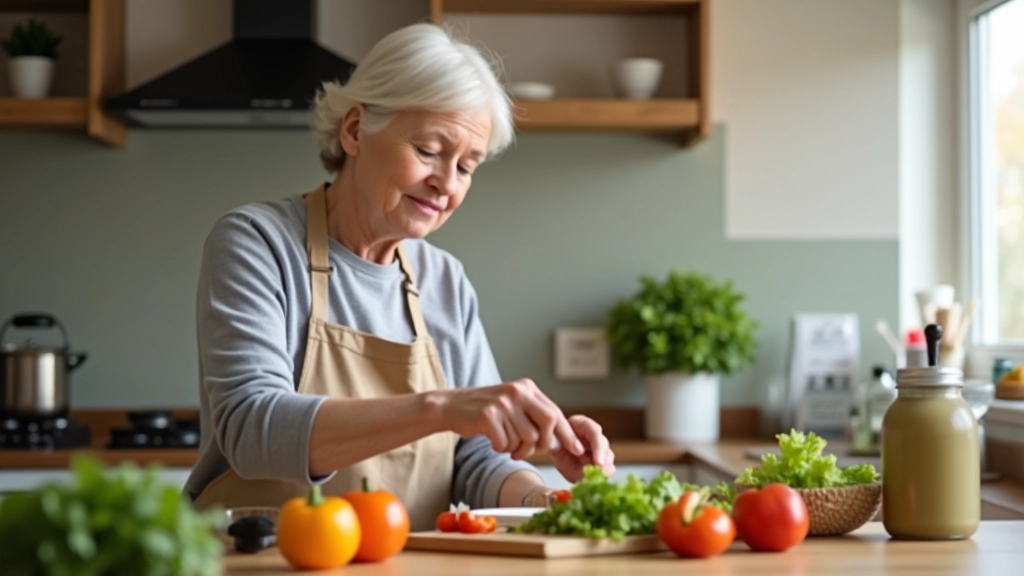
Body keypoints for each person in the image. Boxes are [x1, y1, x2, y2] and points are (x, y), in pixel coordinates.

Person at [184, 22, 616, 531]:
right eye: (429, 150)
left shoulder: (444, 280)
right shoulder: (258, 242)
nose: (446, 184)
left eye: (467, 166)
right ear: (354, 130)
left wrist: (548, 501)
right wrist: (439, 408)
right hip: (265, 560)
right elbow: (252, 429)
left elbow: (475, 460)